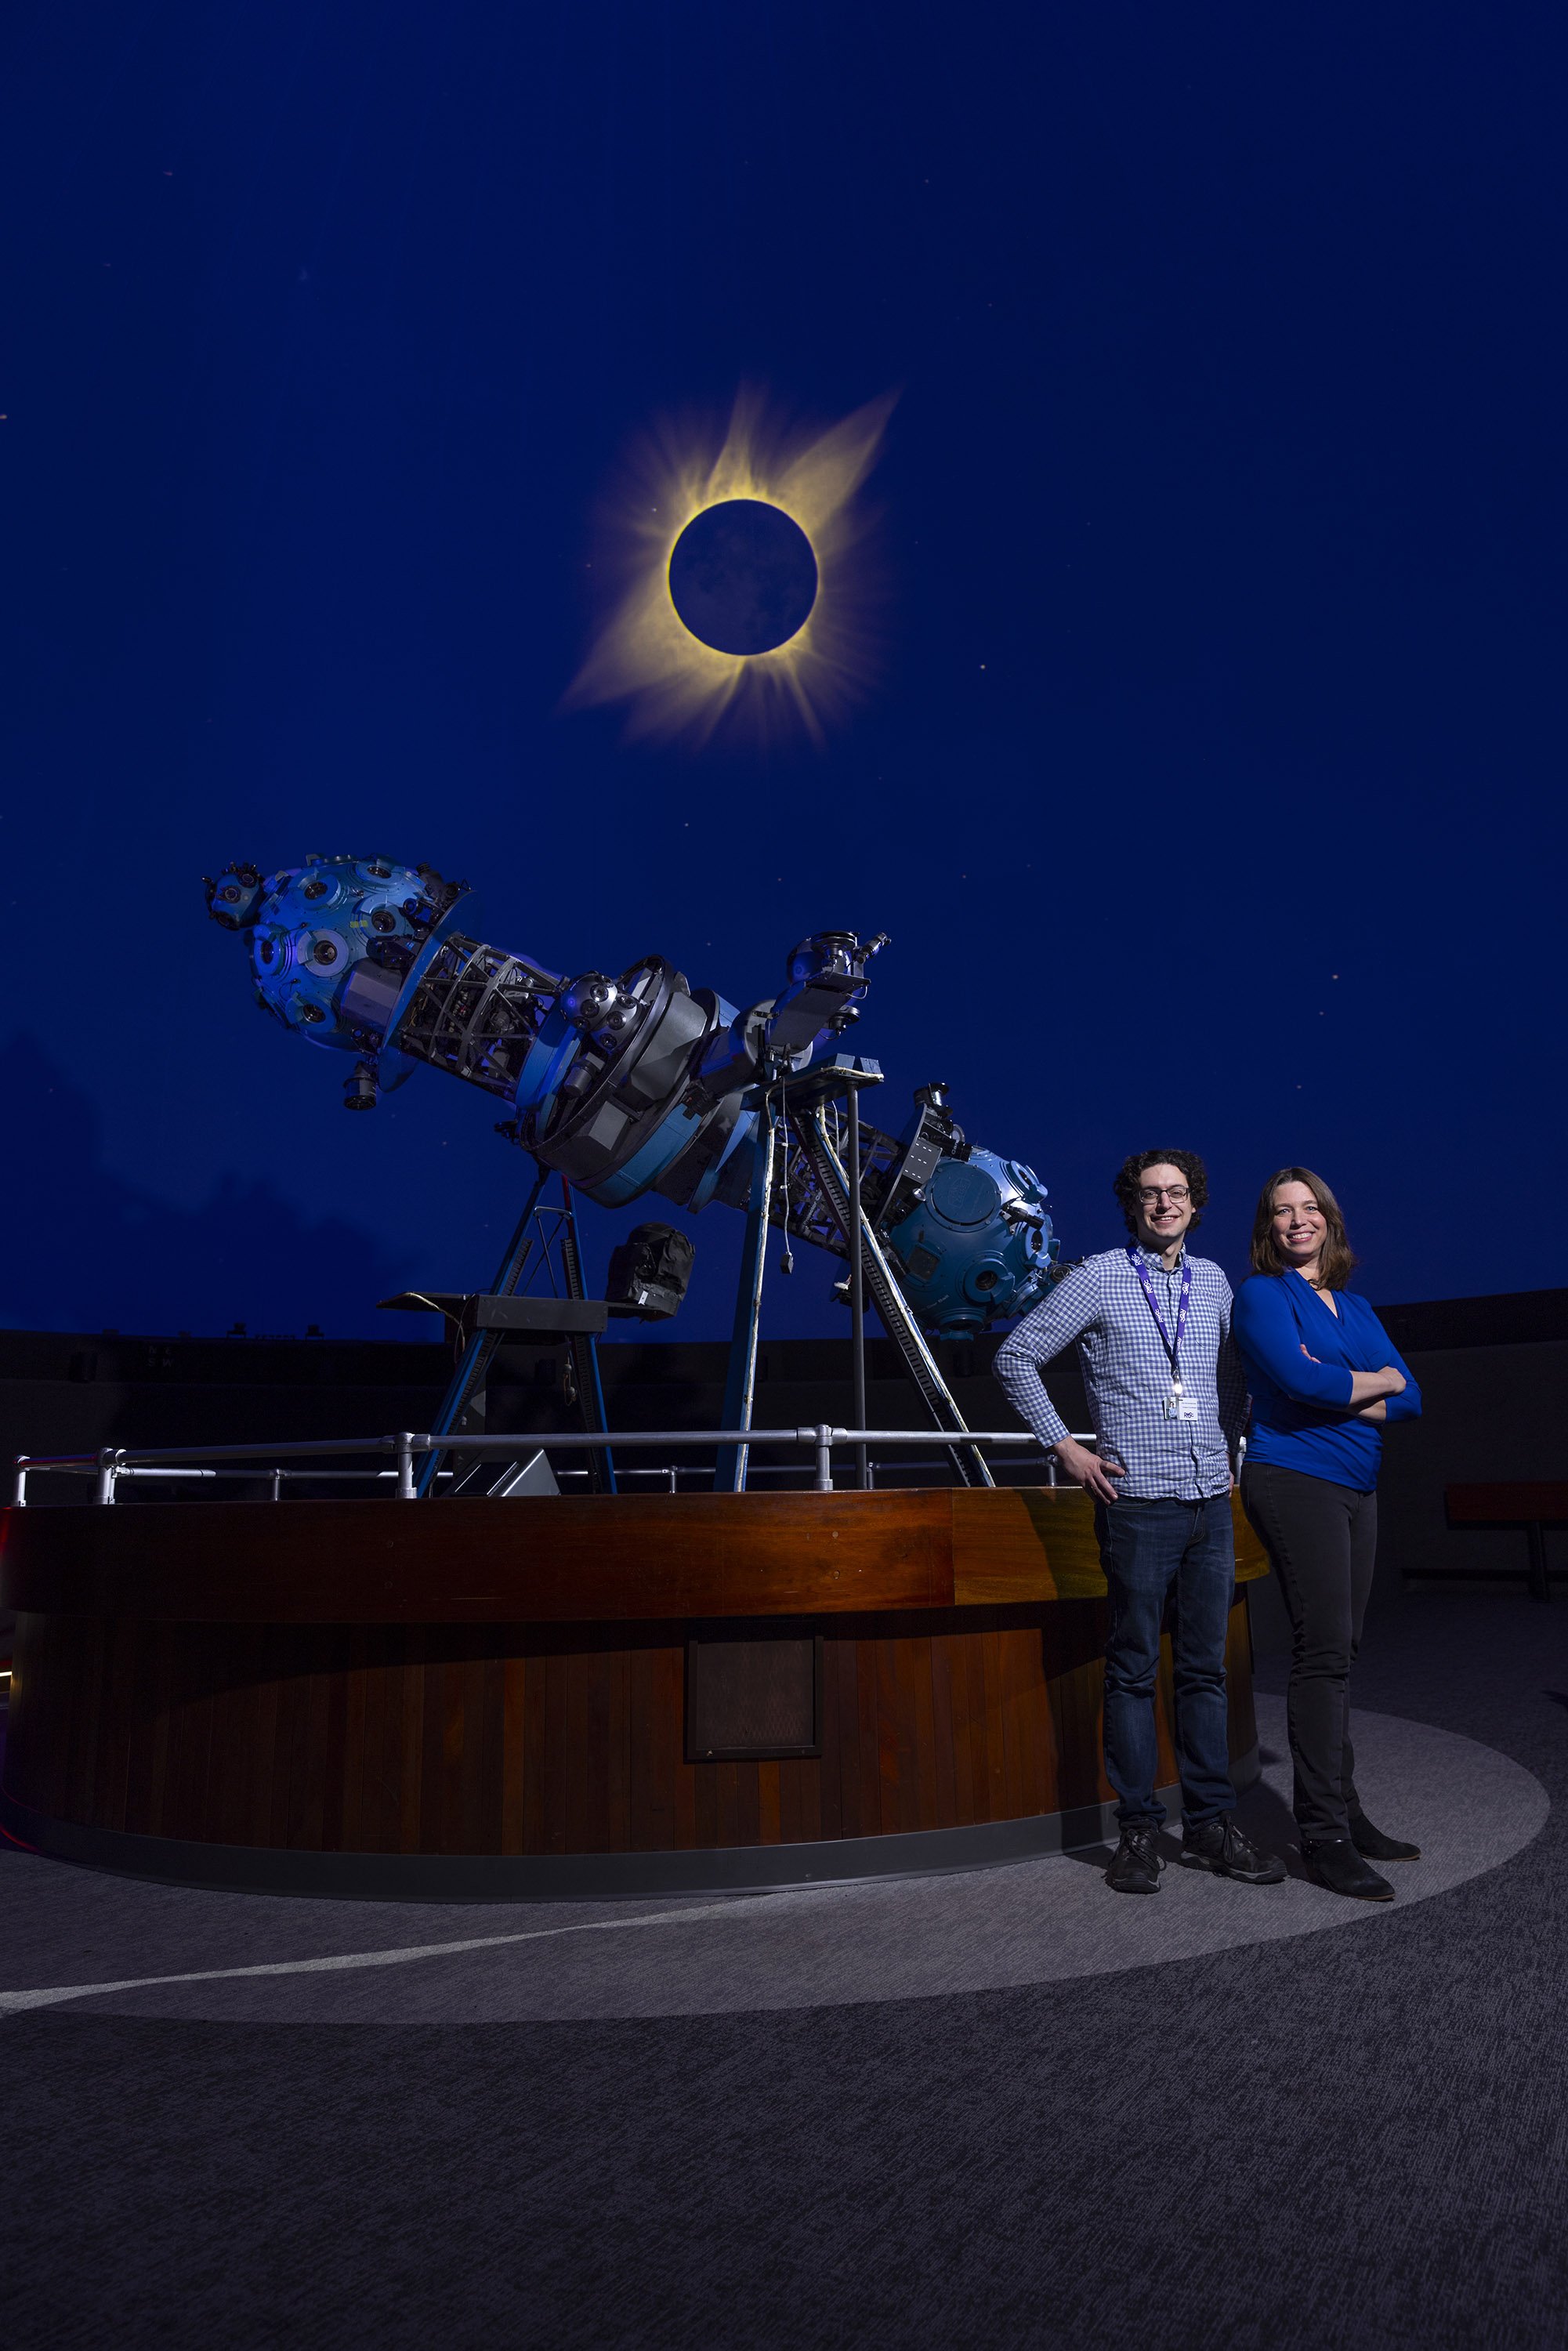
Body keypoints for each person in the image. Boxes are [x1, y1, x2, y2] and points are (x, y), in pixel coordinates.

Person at [994, 1150, 1284, 1896]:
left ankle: (1212, 1825)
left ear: (1194, 1203)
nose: (1165, 1205)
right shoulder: (1096, 1278)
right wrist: (1065, 1448)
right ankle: (1135, 1832)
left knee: (1204, 1672)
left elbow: (1231, 1373)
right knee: (1130, 1670)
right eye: (1151, 1194)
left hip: (1207, 1505)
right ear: (1134, 1205)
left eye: (1177, 1193)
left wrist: (1230, 1447)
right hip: (1137, 1505)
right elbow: (1016, 1355)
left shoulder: (1214, 1281)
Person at [1233, 1168, 1422, 1902]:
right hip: (1293, 1480)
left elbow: (1414, 1399)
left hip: (1356, 1484)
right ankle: (1323, 1836)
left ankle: (1345, 1809)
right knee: (1321, 1653)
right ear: (1267, 1229)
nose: (1296, 1221)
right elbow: (1298, 1382)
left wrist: (1358, 1383)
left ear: (1329, 1222)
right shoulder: (1261, 1296)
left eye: (1309, 1208)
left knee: (1341, 1651)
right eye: (1281, 1212)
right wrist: (1377, 1380)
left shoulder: (1354, 1305)